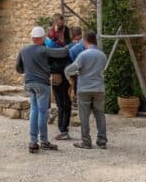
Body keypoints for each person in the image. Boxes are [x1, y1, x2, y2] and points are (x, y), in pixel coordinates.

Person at [16, 25, 70, 153]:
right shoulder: (44, 50)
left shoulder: (23, 50)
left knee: (34, 111)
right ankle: (44, 141)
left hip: (29, 83)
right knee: (42, 112)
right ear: (41, 38)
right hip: (42, 84)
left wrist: (28, 71)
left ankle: (33, 142)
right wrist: (70, 46)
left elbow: (18, 68)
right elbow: (62, 53)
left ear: (32, 38)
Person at [64, 31, 108, 149]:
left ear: (85, 41)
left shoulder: (83, 55)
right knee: (100, 115)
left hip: (84, 89)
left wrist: (71, 76)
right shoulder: (102, 55)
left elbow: (71, 69)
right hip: (99, 88)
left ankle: (86, 142)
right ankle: (102, 140)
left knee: (84, 116)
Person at [47, 13, 73, 140]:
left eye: (59, 20)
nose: (57, 22)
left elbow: (67, 45)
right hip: (57, 72)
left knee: (65, 103)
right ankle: (62, 129)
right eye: (55, 20)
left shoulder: (66, 30)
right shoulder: (51, 32)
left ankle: (64, 129)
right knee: (60, 103)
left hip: (64, 70)